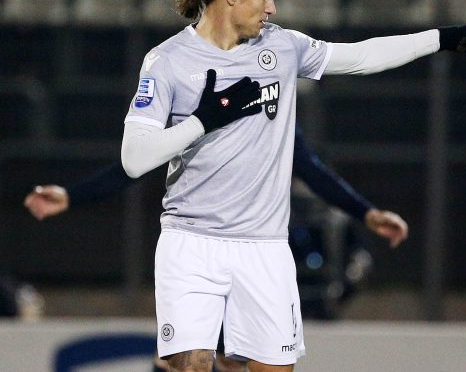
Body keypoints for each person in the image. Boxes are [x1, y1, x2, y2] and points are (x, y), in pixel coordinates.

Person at [116, 0, 466, 372]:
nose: (272, 8)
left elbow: (360, 57)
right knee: (191, 364)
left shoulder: (282, 48)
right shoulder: (167, 61)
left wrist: (442, 38)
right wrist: (202, 121)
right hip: (191, 242)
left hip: (264, 246)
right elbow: (134, 158)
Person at [24, 123, 400, 372]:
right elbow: (134, 164)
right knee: (183, 358)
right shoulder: (192, 103)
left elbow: (312, 169)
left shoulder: (274, 106)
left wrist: (366, 213)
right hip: (196, 254)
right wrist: (72, 195)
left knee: (229, 359)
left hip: (250, 258)